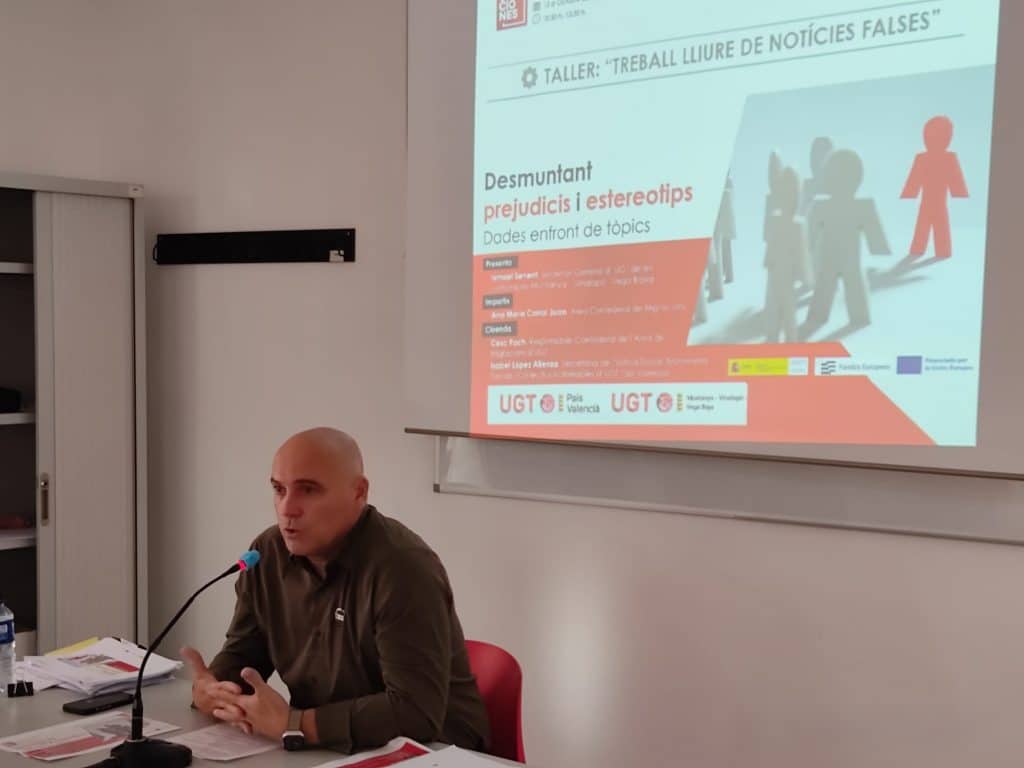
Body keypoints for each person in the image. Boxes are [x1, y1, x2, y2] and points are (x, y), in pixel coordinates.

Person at [180, 428, 491, 754]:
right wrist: (212, 689)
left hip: (436, 751)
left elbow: (415, 713)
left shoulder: (403, 568)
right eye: (279, 489)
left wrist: (296, 725)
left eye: (308, 490)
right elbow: (245, 656)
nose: (287, 508)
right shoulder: (267, 554)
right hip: (326, 749)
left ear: (359, 492)